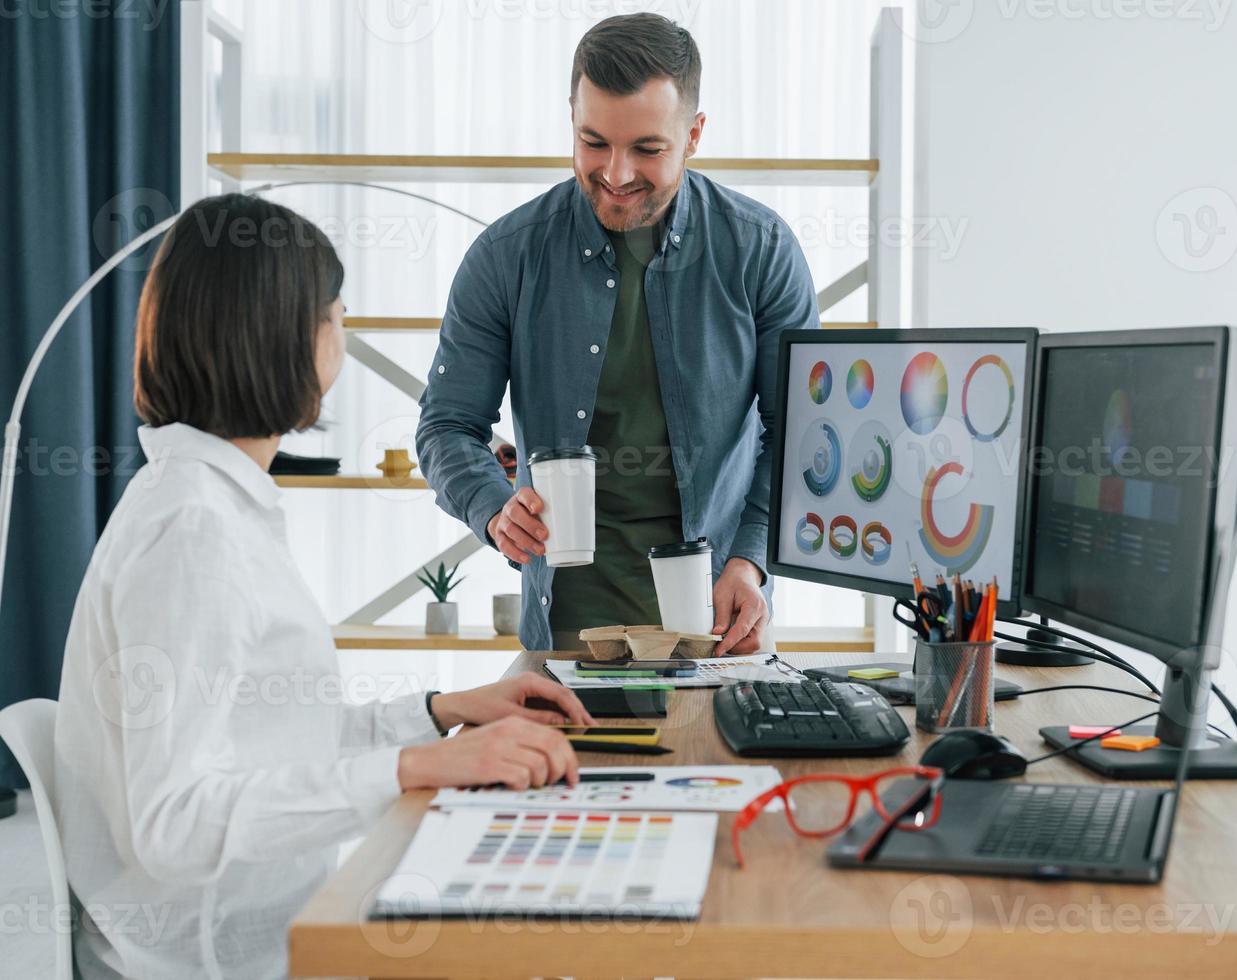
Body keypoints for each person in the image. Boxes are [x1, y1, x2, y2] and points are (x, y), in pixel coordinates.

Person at [53, 193, 593, 980]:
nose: (341, 336)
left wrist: (436, 714)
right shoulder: (192, 533)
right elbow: (171, 823)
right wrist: (417, 767)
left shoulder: (207, 503)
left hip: (266, 928)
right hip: (217, 960)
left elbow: (264, 737)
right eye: (335, 315)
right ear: (281, 339)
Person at [417, 13, 820, 654]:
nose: (616, 172)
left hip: (719, 627)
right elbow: (445, 426)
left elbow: (800, 437)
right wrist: (492, 509)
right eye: (594, 141)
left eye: (648, 149)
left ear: (694, 134)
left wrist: (751, 559)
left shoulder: (760, 250)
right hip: (567, 635)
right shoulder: (505, 255)